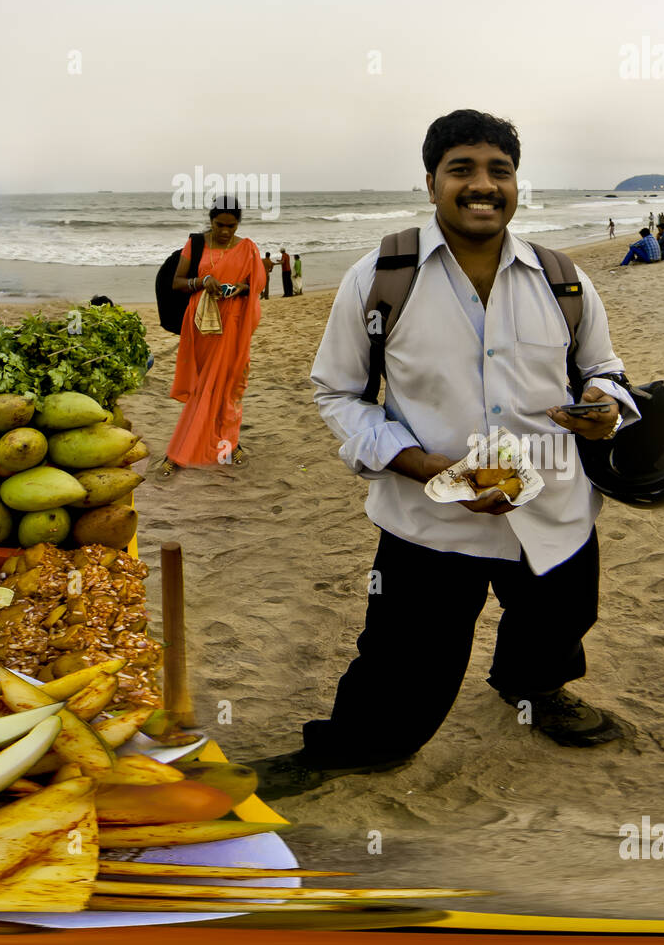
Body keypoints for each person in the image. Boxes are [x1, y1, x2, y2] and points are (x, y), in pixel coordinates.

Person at [255, 108, 633, 799]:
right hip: (429, 514)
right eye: (462, 169)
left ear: (518, 184)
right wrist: (419, 465)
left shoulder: (562, 279)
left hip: (554, 503)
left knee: (559, 618)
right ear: (431, 182)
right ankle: (360, 746)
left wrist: (606, 403)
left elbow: (601, 365)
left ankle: (535, 689)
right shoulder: (382, 275)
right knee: (403, 655)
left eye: (500, 170)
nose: (482, 184)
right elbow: (337, 391)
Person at [164, 196, 262, 468]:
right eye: (220, 224)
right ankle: (189, 445)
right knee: (204, 384)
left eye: (231, 226)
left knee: (230, 383)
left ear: (238, 224)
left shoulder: (248, 248)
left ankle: (228, 442)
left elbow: (255, 284)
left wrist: (240, 288)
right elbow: (177, 282)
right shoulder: (195, 244)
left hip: (233, 324)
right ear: (211, 221)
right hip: (202, 324)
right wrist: (203, 280)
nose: (225, 231)